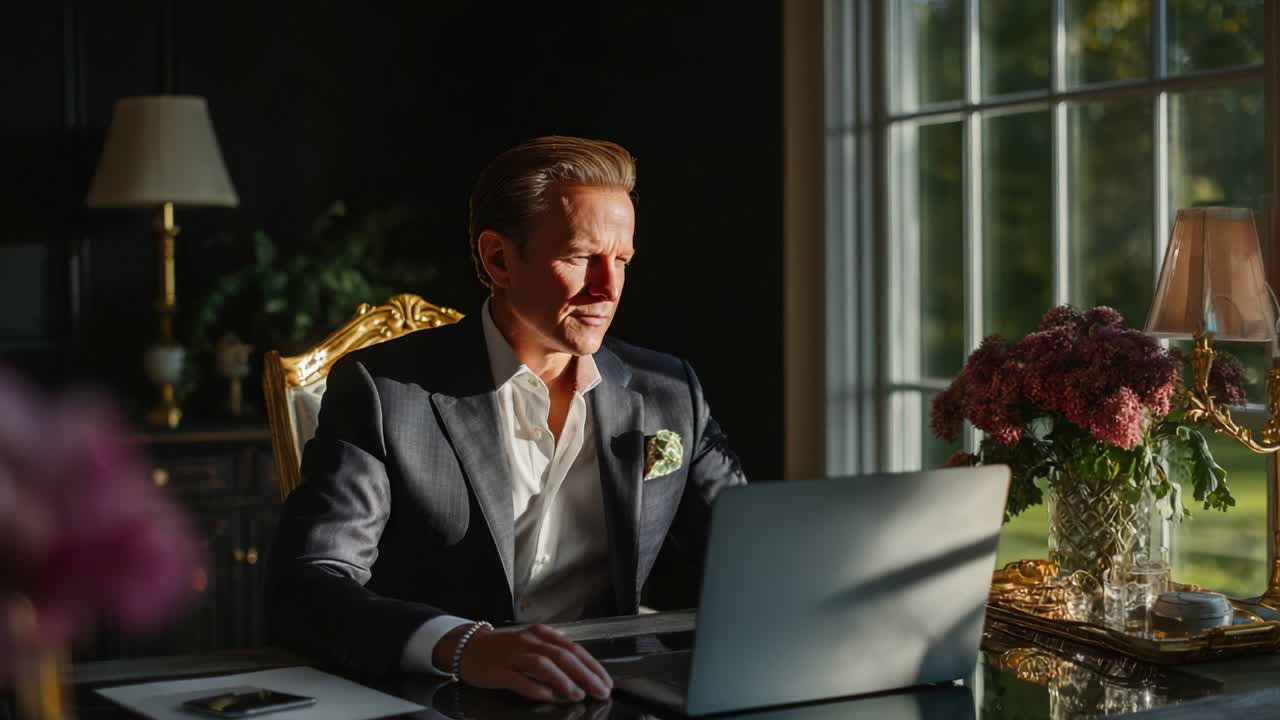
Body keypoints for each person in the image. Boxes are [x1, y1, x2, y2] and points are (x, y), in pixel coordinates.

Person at [266, 136, 746, 703]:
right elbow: (308, 586)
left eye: (621, 260)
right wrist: (462, 646)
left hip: (604, 697)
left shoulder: (668, 391)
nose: (608, 288)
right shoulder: (384, 392)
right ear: (498, 259)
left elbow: (747, 554)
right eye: (580, 257)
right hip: (444, 697)